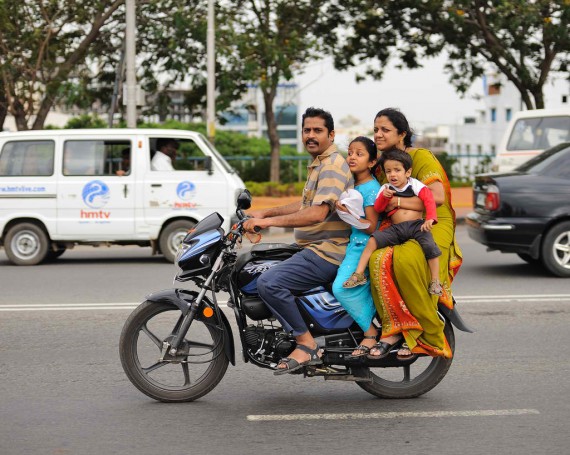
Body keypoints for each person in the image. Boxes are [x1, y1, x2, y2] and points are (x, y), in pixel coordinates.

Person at [243, 107, 353, 375]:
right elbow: (304, 204)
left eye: (318, 130)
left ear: (331, 134)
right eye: (307, 130)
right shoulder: (319, 163)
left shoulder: (332, 166)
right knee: (260, 259)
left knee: (268, 282)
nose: (311, 136)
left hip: (328, 251)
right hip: (313, 246)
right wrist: (264, 212)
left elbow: (316, 213)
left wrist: (267, 223)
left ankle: (306, 344)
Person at [366, 108, 462, 360]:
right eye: (375, 129)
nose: (378, 134)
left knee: (406, 259)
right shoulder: (381, 165)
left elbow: (437, 198)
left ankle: (427, 332)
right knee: (377, 260)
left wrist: (397, 203)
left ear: (402, 134)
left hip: (432, 221)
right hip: (399, 225)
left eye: (385, 130)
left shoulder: (420, 157)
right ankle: (394, 328)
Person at [343, 148, 443, 297]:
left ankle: (435, 281)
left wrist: (430, 218)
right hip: (396, 228)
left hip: (416, 225)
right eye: (388, 171)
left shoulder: (414, 184)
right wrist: (384, 197)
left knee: (430, 246)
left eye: (397, 170)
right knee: (373, 241)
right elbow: (378, 208)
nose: (393, 174)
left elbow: (428, 199)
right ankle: (359, 274)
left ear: (407, 172)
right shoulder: (385, 188)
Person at [331, 136, 381, 358]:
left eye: (359, 154)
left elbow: (371, 227)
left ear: (371, 162)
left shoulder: (371, 188)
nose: (352, 157)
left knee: (341, 288)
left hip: (363, 247)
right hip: (353, 244)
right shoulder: (352, 183)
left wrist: (347, 213)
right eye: (350, 152)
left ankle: (370, 333)